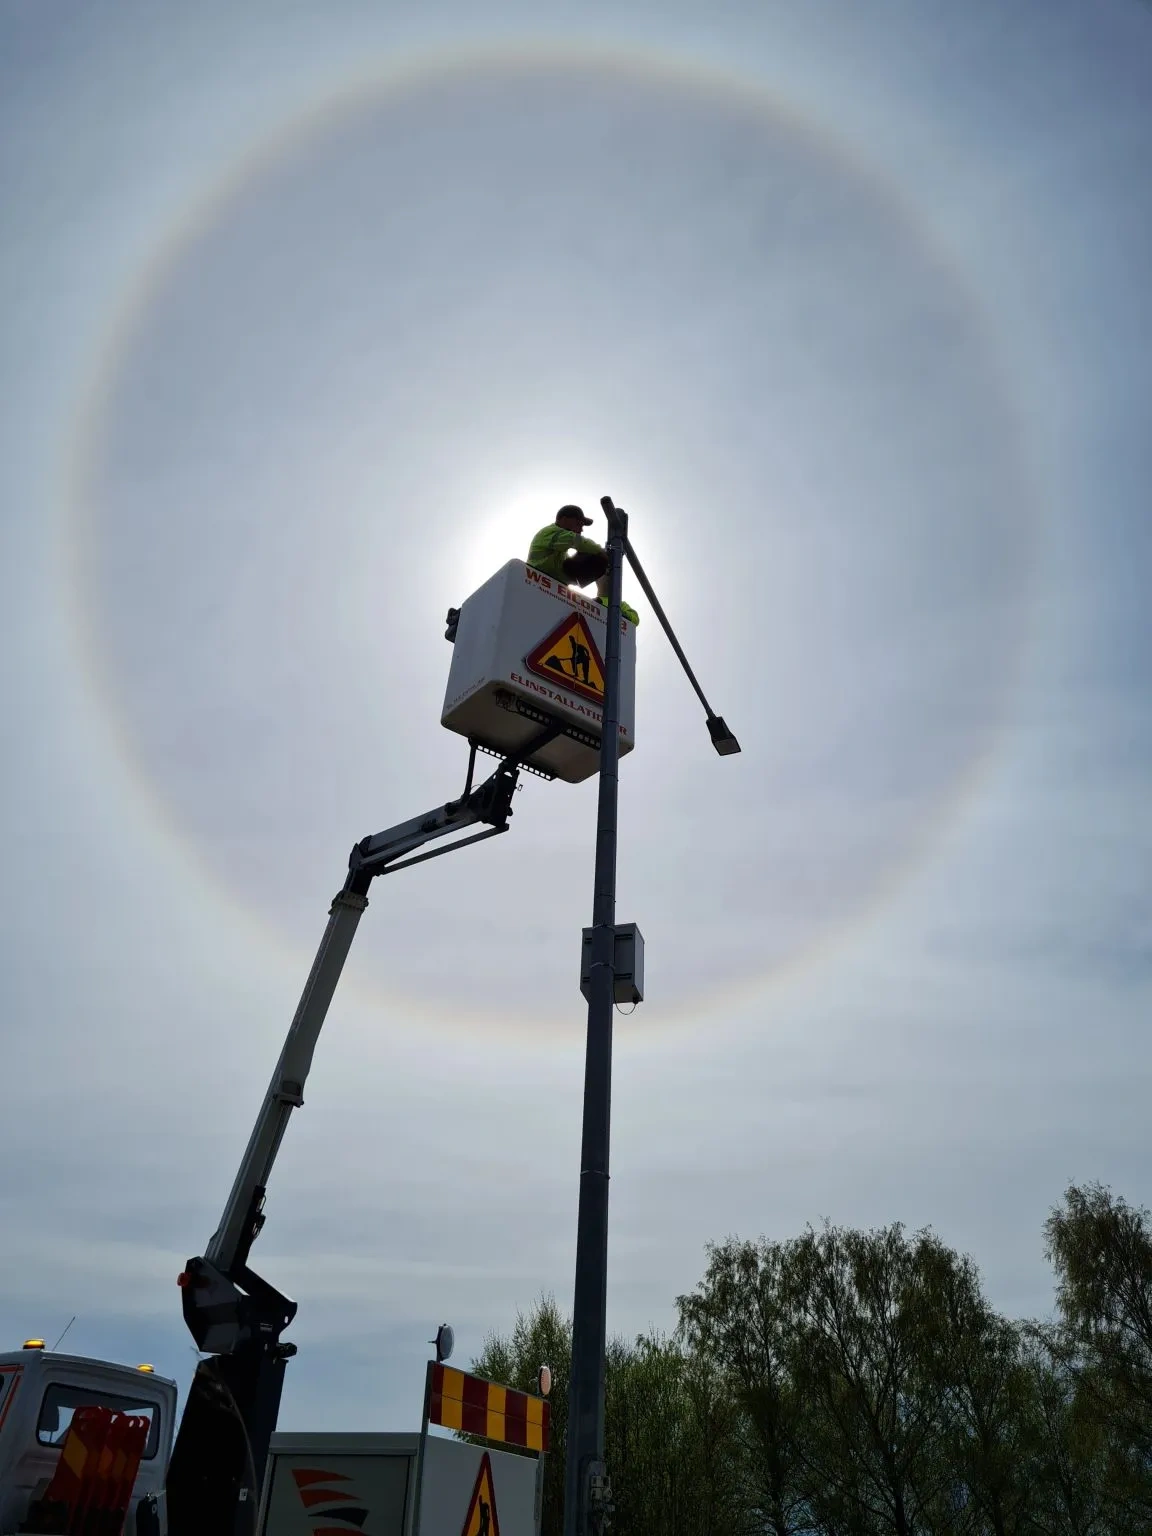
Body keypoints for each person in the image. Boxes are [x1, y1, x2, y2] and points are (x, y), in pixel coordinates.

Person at [527, 505, 639, 625]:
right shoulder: (549, 533)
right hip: (535, 579)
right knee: (591, 552)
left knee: (590, 554)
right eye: (579, 524)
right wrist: (602, 553)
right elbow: (576, 541)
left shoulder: (559, 554)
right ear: (564, 519)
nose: (581, 529)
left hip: (551, 583)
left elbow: (634, 619)